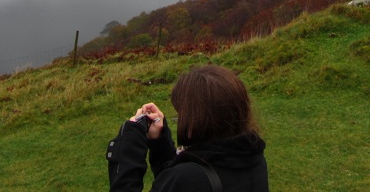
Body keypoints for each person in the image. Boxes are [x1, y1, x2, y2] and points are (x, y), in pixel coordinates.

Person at [106, 64, 269, 192]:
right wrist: (159, 143)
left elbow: (181, 180)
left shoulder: (189, 178)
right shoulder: (252, 158)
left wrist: (129, 146)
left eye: (182, 115)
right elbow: (174, 179)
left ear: (200, 122)